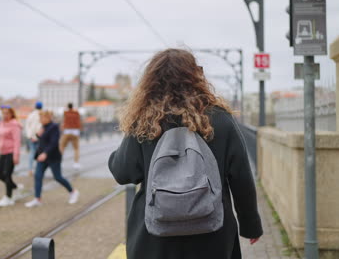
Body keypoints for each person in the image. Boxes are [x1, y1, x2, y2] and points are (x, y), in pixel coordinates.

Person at [108, 49, 263, 259]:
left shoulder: (145, 122)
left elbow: (123, 173)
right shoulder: (220, 119)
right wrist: (250, 225)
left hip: (155, 240)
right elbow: (242, 178)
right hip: (212, 236)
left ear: (151, 82)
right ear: (195, 77)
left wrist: (117, 155)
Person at [25, 110, 79, 208]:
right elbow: (42, 140)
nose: (40, 119)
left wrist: (45, 153)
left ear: (48, 118)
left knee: (57, 177)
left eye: (42, 118)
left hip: (53, 157)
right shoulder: (43, 127)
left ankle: (73, 192)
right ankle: (37, 199)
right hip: (42, 157)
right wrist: (37, 136)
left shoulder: (54, 127)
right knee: (38, 176)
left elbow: (54, 143)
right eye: (40, 117)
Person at [0, 106, 23, 207]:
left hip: (11, 152)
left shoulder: (15, 125)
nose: (5, 115)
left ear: (11, 114)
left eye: (7, 113)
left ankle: (8, 197)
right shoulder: (1, 123)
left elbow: (17, 141)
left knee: (7, 174)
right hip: (3, 152)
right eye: (3, 113)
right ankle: (15, 187)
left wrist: (16, 155)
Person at [59, 103, 82, 170]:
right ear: (73, 107)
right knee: (76, 149)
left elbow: (63, 120)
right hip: (75, 132)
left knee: (62, 147)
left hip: (67, 131)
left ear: (68, 107)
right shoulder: (76, 113)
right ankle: (76, 164)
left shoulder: (65, 112)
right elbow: (79, 121)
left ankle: (60, 163)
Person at [24, 101, 43, 176]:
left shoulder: (30, 115)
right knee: (39, 154)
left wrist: (30, 136)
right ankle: (38, 170)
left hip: (31, 137)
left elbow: (27, 126)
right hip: (39, 137)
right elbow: (40, 127)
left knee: (32, 153)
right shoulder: (41, 115)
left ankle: (30, 169)